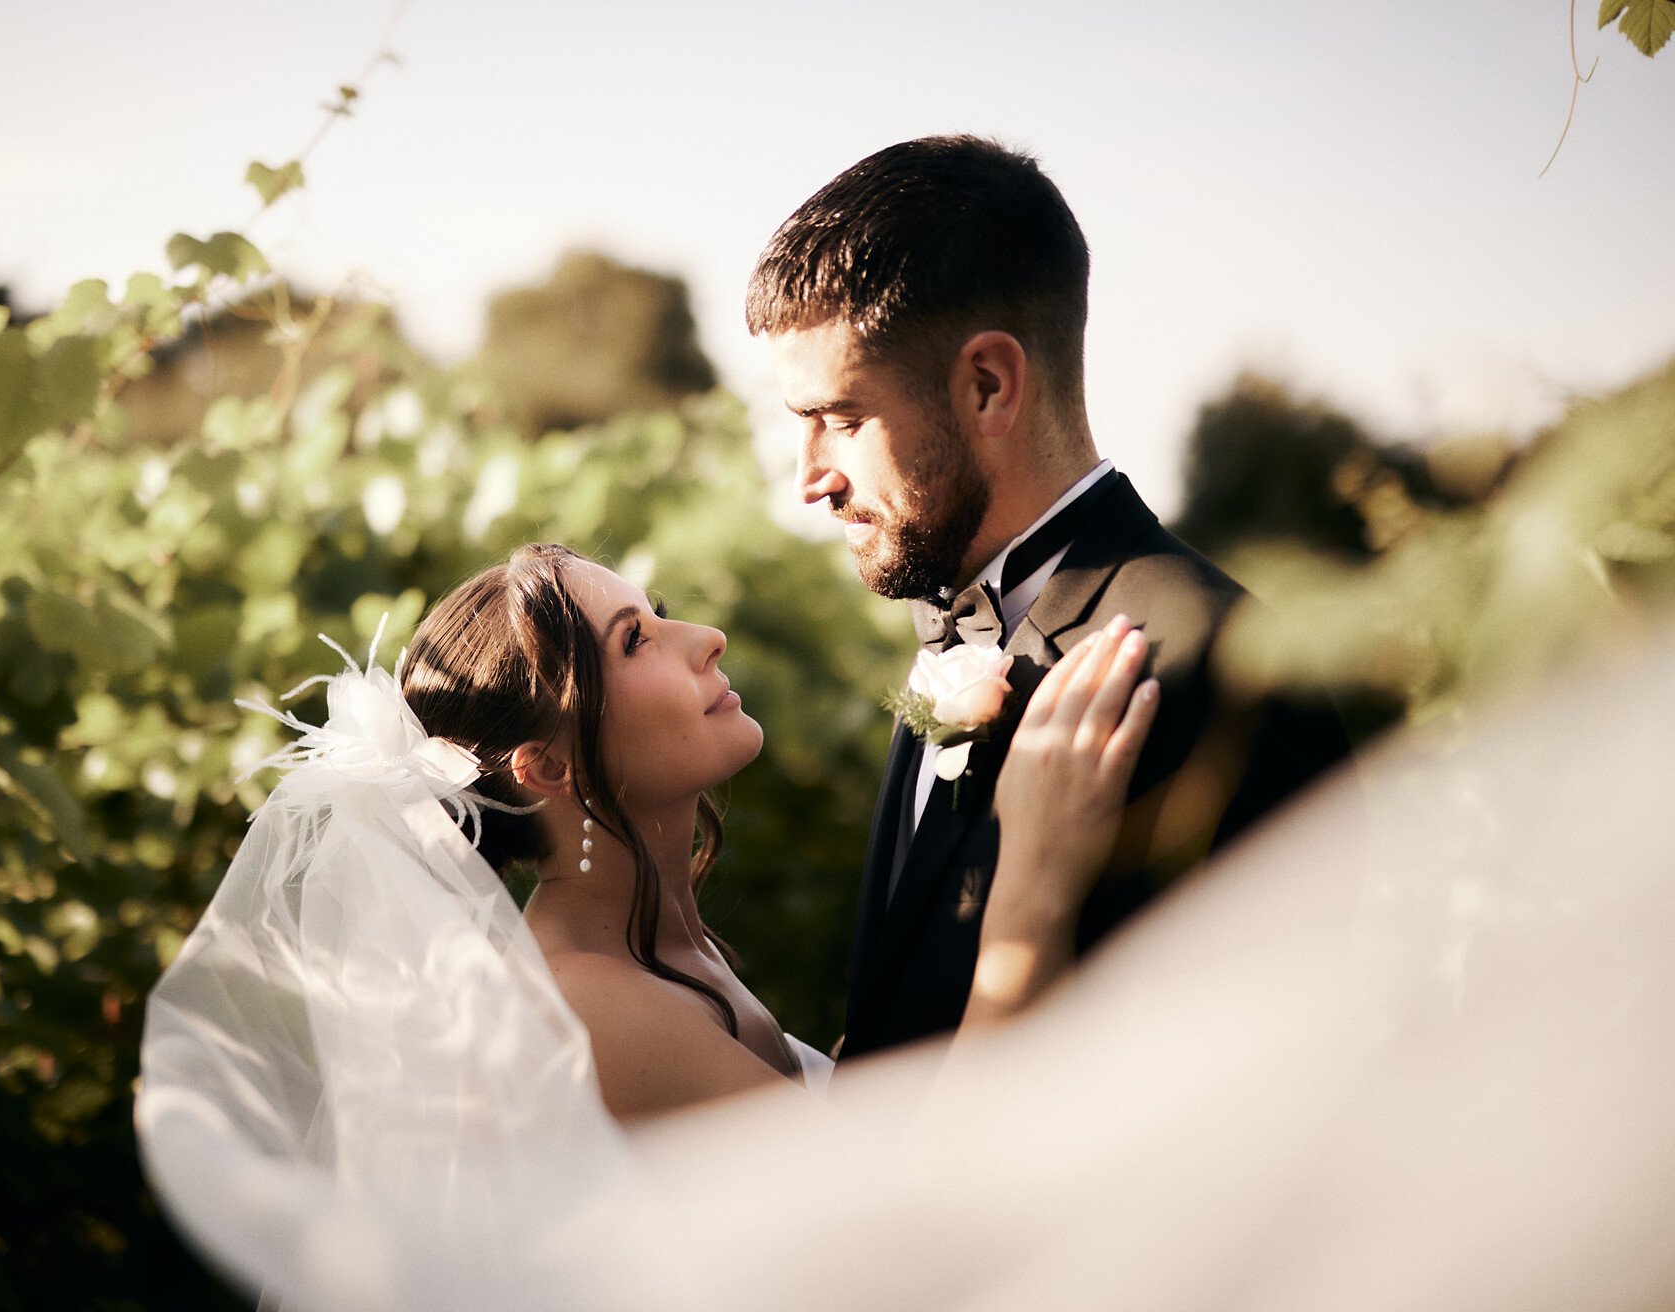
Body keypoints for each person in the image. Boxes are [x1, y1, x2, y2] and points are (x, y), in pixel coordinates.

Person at [746, 135, 1355, 1060]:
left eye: (841, 418)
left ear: (988, 385)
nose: (811, 478)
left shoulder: (1214, 667)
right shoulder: (955, 625)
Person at [394, 542, 1158, 1120]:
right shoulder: (583, 1002)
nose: (707, 635)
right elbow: (903, 1221)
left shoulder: (662, 948)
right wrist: (1033, 887)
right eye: (634, 639)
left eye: (658, 612)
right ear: (548, 770)